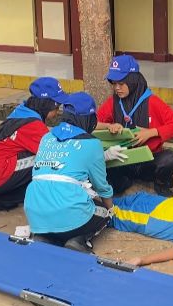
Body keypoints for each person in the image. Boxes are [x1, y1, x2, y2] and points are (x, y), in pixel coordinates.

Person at [23, 92, 114, 253]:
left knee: (59, 214)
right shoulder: (92, 143)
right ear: (89, 119)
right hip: (68, 212)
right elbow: (101, 186)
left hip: (34, 212)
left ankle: (44, 237)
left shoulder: (47, 137)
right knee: (103, 213)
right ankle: (78, 240)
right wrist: (111, 209)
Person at [95, 55, 173, 196]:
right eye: (114, 84)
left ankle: (161, 185)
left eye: (121, 84)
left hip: (148, 159)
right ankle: (123, 182)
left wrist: (151, 132)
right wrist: (109, 125)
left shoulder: (152, 101)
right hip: (122, 159)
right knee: (102, 165)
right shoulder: (112, 102)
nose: (117, 88)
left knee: (169, 159)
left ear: (132, 81)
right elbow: (93, 122)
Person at [0, 77, 69, 212]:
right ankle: (0, 199)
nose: (57, 111)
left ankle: (8, 195)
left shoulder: (24, 110)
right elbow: (55, 151)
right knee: (49, 159)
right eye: (56, 107)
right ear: (46, 105)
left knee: (38, 163)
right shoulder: (33, 125)